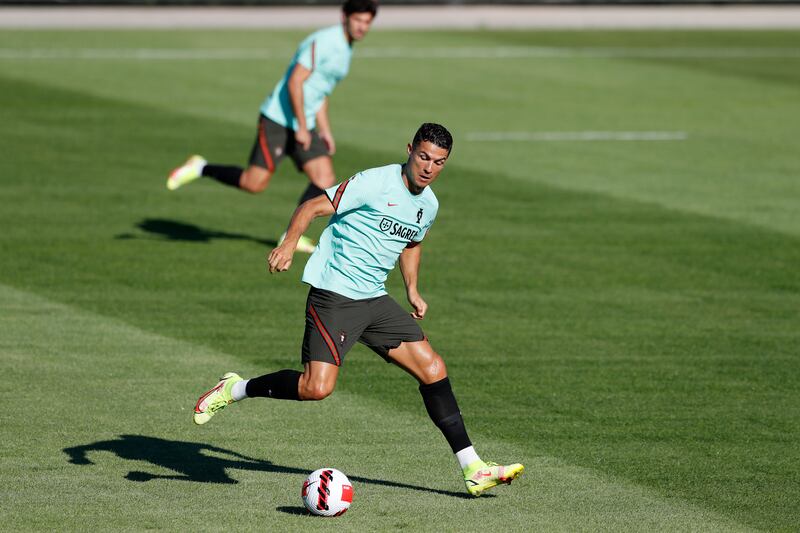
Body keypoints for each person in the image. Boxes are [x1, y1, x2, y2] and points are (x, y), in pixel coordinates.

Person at [192, 123, 524, 497]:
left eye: (439, 162)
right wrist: (288, 245)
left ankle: (473, 468)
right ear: (410, 149)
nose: (429, 168)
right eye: (424, 157)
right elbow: (312, 206)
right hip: (334, 293)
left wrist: (412, 289)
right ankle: (236, 388)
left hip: (375, 299)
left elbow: (412, 243)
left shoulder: (429, 204)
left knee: (433, 369)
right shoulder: (374, 182)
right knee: (316, 388)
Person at [167, 0, 378, 253]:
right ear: (345, 16)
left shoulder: (346, 50)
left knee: (324, 178)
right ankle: (200, 167)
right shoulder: (324, 41)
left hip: (304, 122)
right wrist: (301, 126)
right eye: (358, 20)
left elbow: (321, 93)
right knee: (253, 183)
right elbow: (295, 82)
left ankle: (291, 237)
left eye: (367, 22)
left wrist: (325, 130)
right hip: (278, 119)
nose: (362, 27)